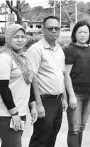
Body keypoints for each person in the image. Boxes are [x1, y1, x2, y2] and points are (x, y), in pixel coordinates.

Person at [0, 24, 38, 147]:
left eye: (23, 36)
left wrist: (32, 106)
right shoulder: (4, 58)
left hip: (20, 111)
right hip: (6, 114)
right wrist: (14, 114)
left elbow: (28, 82)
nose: (20, 40)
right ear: (8, 38)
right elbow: (3, 88)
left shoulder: (24, 57)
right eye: (16, 37)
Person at [27, 16, 68, 147]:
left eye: (57, 28)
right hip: (44, 101)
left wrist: (65, 98)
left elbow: (62, 74)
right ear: (43, 30)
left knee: (52, 137)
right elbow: (31, 78)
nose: (54, 31)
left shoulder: (59, 49)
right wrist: (38, 104)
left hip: (57, 101)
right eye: (50, 28)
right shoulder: (36, 49)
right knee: (40, 139)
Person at [64, 21, 90, 147]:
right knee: (74, 128)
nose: (83, 35)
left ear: (89, 34)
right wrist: (71, 96)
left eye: (86, 32)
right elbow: (66, 74)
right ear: (75, 34)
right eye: (80, 32)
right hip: (75, 94)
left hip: (89, 93)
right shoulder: (70, 50)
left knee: (81, 126)